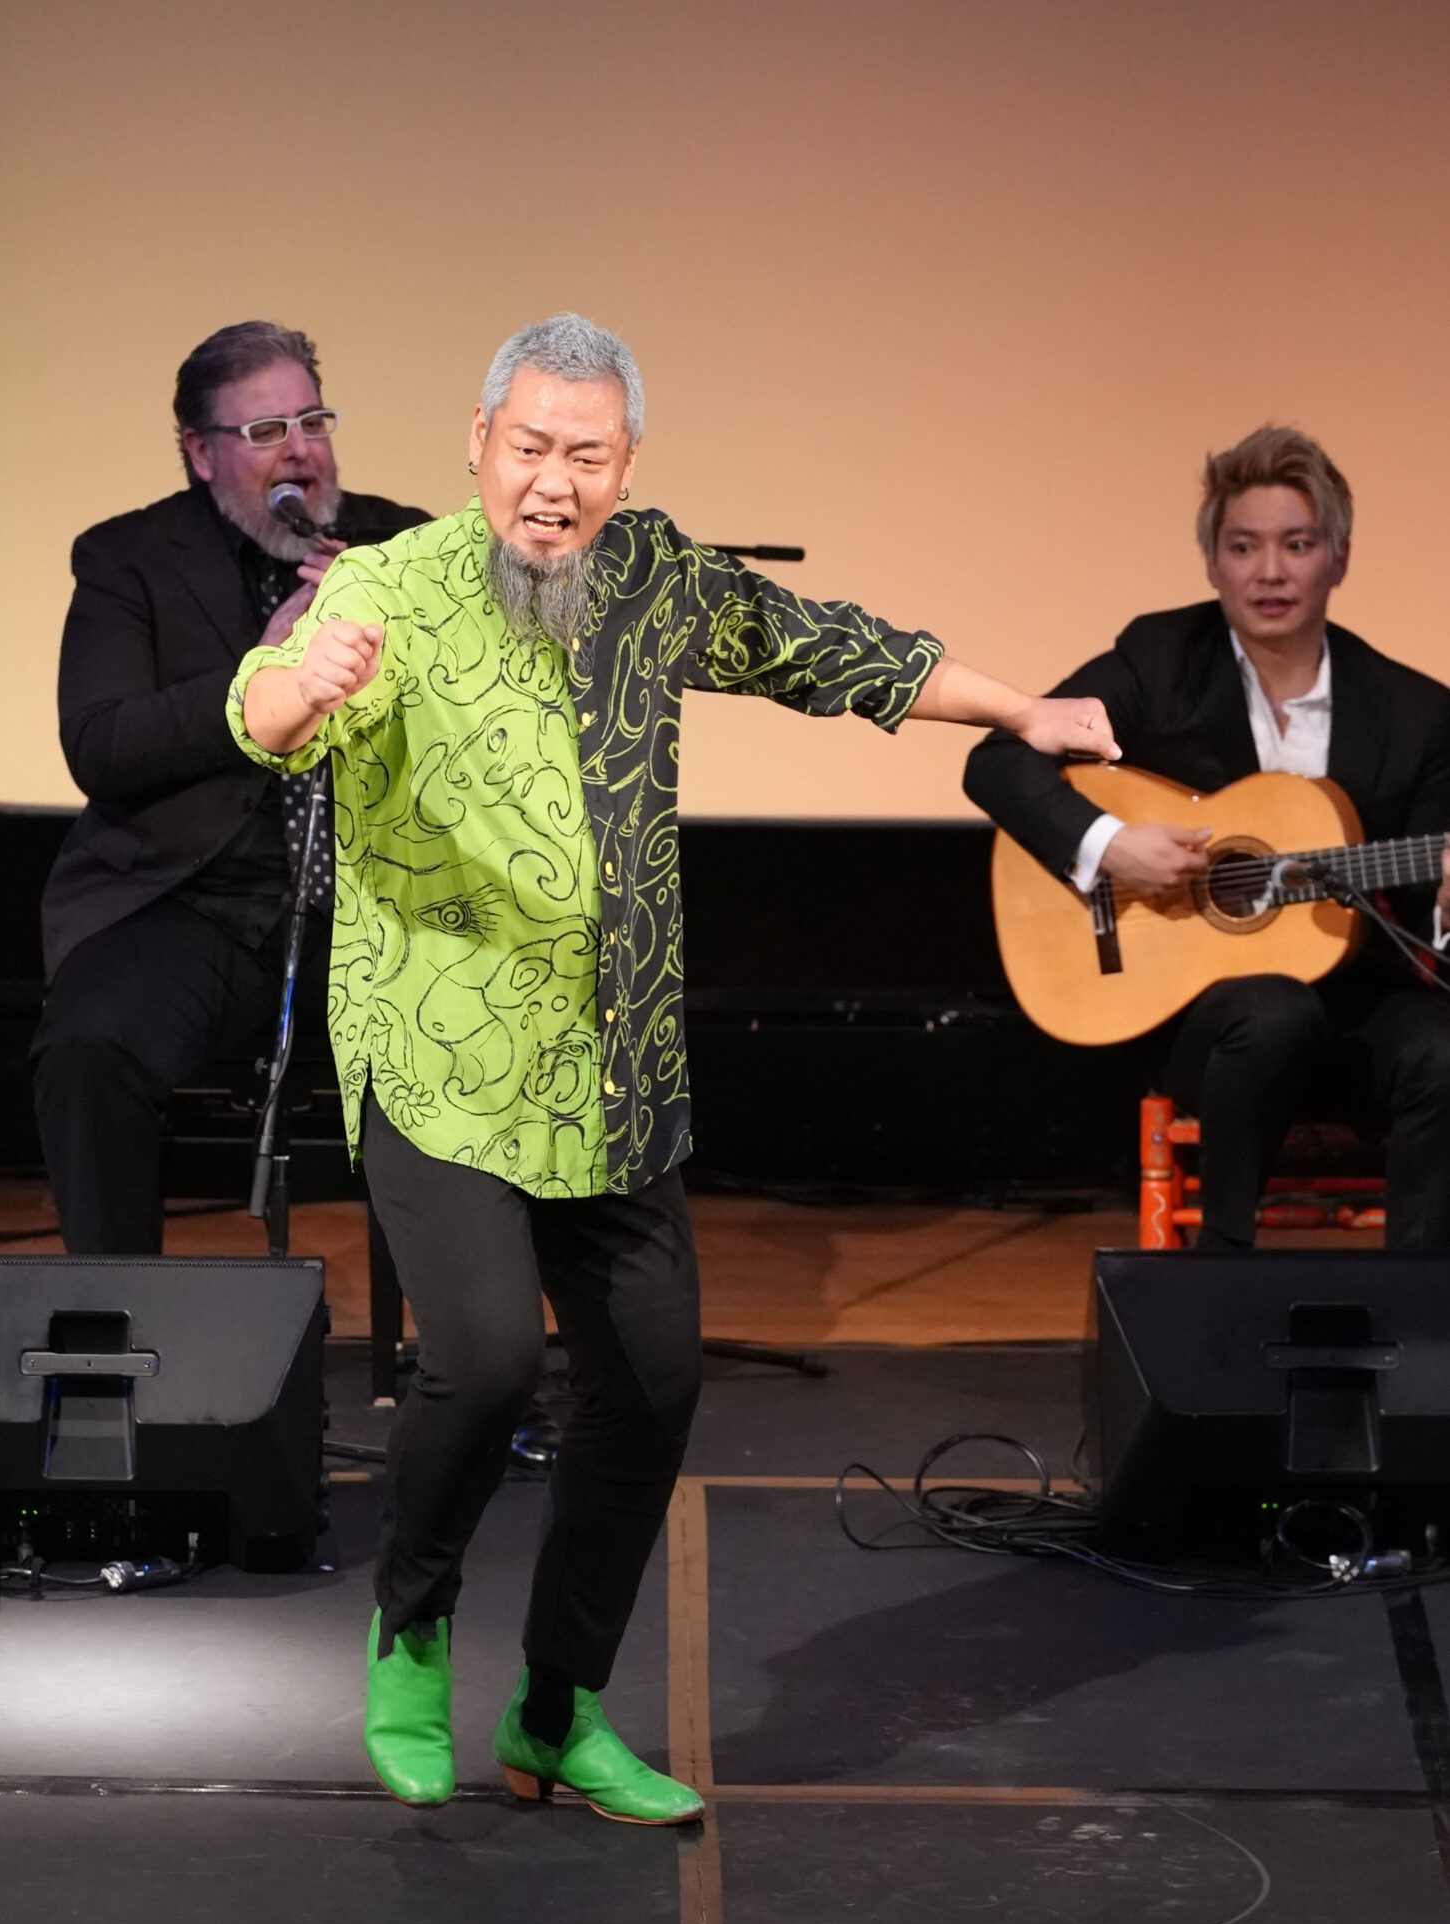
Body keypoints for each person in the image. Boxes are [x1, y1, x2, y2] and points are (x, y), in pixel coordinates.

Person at [233, 312, 1117, 1823]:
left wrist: (1019, 708)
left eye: (584, 456)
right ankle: (412, 1624)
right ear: (476, 441)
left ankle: (555, 1711)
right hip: (436, 1047)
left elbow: (827, 651)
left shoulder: (651, 581)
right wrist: (303, 686)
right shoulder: (388, 587)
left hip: (609, 1058)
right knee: (488, 1357)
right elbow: (266, 717)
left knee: (648, 1385)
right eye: (528, 450)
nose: (552, 484)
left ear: (624, 465)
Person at [965, 423, 1450, 1248]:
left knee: (1444, 1048)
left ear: (1337, 557)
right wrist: (1109, 842)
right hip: (1210, 1024)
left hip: (1361, 1011)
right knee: (1271, 1012)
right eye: (1243, 546)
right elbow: (999, 761)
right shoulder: (1161, 660)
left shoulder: (1414, 712)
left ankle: (1420, 1319)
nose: (1269, 572)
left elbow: (1425, 908)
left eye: (1296, 544)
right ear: (1213, 562)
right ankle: (1219, 1285)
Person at [34, 321, 428, 1252]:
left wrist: (406, 627)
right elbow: (101, 743)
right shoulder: (129, 557)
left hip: (381, 906)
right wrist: (268, 671)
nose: (298, 448)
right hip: (196, 901)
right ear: (200, 455)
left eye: (311, 420)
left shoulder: (405, 546)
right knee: (88, 1049)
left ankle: (474, 1359)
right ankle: (117, 1329)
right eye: (264, 432)